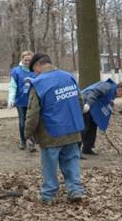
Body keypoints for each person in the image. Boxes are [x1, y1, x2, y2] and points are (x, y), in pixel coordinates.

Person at [25, 53, 86, 204]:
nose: (35, 74)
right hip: (72, 129)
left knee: (50, 165)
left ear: (38, 66)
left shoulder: (38, 83)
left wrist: (27, 133)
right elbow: (80, 100)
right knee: (71, 160)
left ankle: (48, 195)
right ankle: (75, 190)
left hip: (50, 132)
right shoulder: (68, 77)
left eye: (34, 70)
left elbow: (33, 113)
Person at [80, 79, 122, 155]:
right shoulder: (108, 86)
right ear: (120, 89)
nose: (121, 96)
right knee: (85, 127)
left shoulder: (113, 92)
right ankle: (76, 151)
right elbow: (94, 92)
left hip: (93, 107)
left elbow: (104, 100)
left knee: (93, 126)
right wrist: (88, 104)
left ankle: (87, 148)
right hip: (86, 101)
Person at [8, 50, 36, 151]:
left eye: (30, 60)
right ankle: (23, 141)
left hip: (34, 101)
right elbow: (13, 86)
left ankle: (32, 142)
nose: (27, 62)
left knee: (32, 121)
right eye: (25, 60)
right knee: (22, 122)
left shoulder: (36, 70)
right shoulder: (16, 71)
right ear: (22, 60)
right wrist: (11, 98)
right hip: (21, 101)